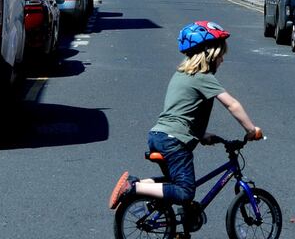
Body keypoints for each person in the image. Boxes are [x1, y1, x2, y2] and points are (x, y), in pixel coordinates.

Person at [109, 21, 262, 214]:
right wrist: (251, 130)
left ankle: (144, 189)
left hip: (160, 135)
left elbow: (181, 112)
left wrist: (201, 134)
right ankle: (134, 188)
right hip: (174, 142)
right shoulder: (203, 76)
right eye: (221, 54)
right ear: (209, 54)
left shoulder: (181, 75)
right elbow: (232, 104)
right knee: (185, 191)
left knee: (174, 182)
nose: (222, 59)